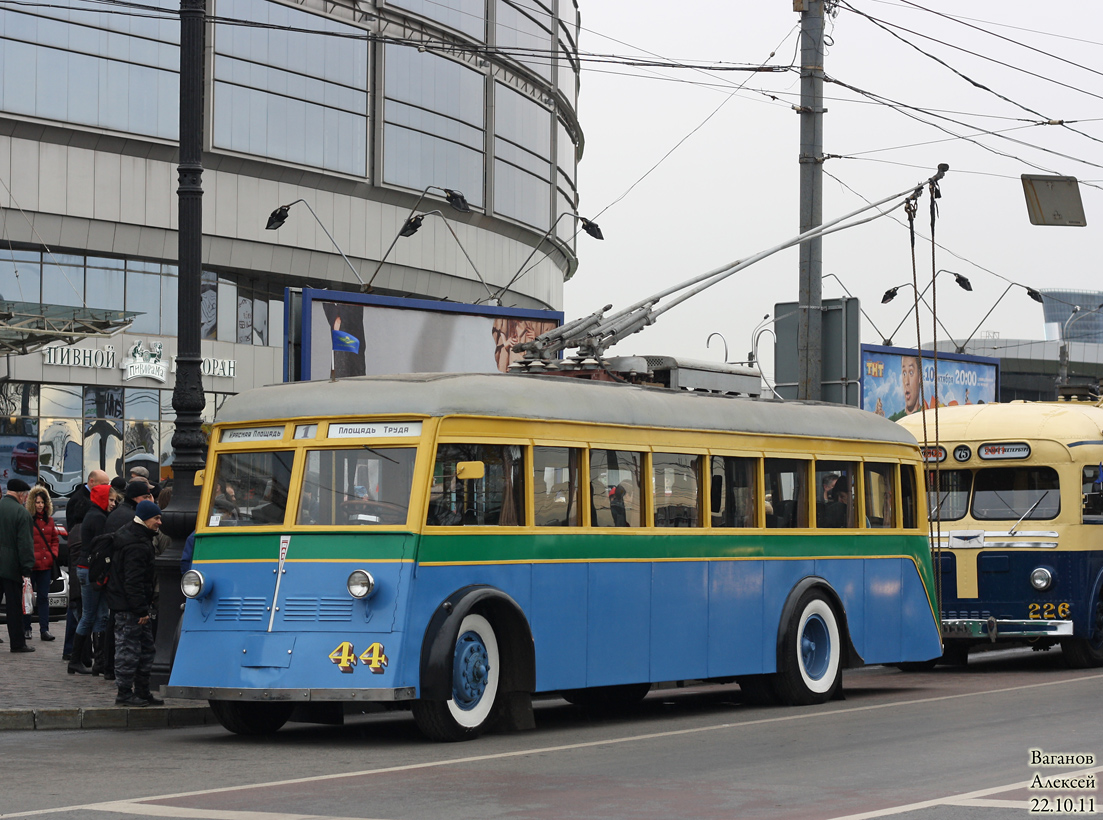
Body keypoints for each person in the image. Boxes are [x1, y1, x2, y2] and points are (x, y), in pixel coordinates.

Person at [106, 499, 164, 707]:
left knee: (145, 649)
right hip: (130, 608)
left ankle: (141, 691)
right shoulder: (137, 544)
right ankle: (125, 693)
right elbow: (134, 580)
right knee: (129, 650)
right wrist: (140, 609)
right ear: (146, 518)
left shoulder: (132, 535)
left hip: (129, 605)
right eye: (156, 518)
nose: (159, 522)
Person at [69, 483, 111, 675]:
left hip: (87, 568)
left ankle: (94, 661)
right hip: (91, 570)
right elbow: (101, 547)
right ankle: (76, 660)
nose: (112, 503)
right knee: (89, 616)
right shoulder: (98, 517)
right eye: (109, 499)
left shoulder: (92, 515)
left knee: (99, 614)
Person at [0, 478, 35, 652]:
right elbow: (25, 544)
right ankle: (17, 643)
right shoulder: (22, 513)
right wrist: (26, 568)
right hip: (11, 567)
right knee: (14, 608)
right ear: (21, 495)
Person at [24, 486, 59, 642]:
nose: (39, 505)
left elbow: (54, 540)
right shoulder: (27, 520)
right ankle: (27, 628)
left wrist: (53, 555)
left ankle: (44, 630)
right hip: (31, 565)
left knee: (44, 598)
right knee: (28, 598)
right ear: (32, 503)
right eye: (37, 502)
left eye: (42, 502)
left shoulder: (49, 520)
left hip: (45, 565)